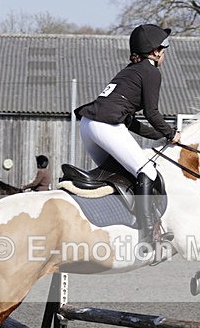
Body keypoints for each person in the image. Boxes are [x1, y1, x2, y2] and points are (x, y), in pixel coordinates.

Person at [74, 23, 179, 247]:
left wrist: (156, 137)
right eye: (164, 48)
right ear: (154, 51)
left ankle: (116, 223)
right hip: (105, 126)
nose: (165, 54)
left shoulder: (129, 71)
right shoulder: (151, 71)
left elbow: (130, 121)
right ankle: (148, 234)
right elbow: (151, 113)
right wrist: (171, 134)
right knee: (147, 171)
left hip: (89, 125)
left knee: (120, 174)